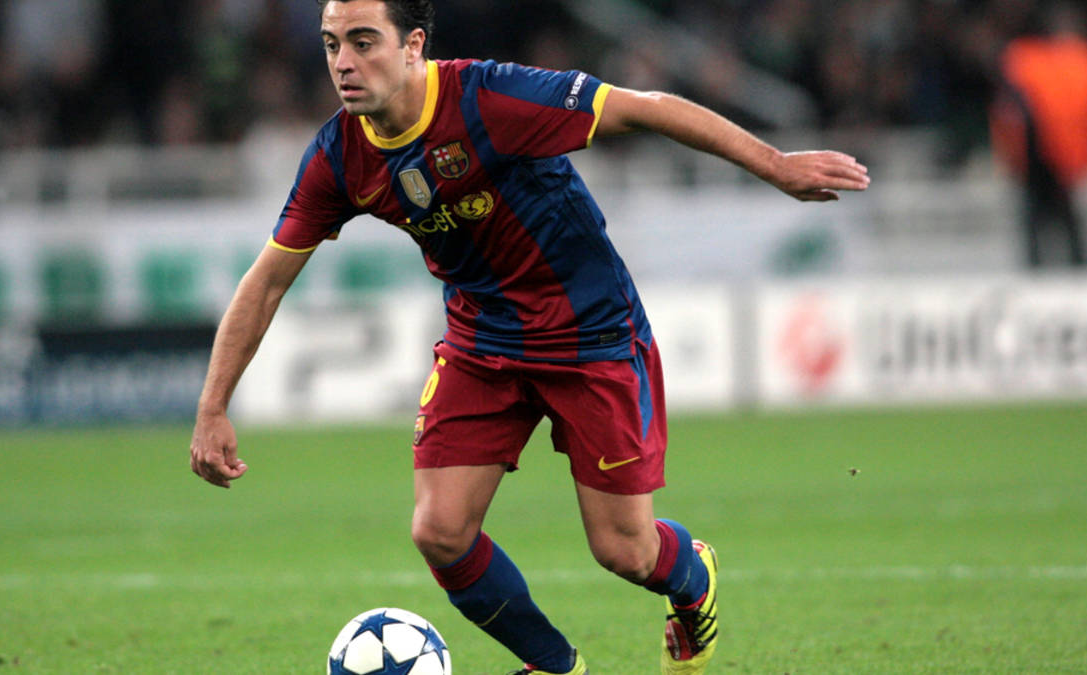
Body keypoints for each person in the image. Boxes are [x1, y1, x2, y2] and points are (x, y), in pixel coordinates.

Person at [189, 1, 870, 672]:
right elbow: (267, 280)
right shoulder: (338, 156)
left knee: (625, 551)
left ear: (413, 45)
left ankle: (693, 576)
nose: (344, 62)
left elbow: (646, 107)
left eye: (363, 42)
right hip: (481, 341)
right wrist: (214, 404)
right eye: (332, 43)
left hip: (590, 334)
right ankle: (556, 666)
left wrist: (775, 165)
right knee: (439, 531)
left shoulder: (490, 97)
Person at [990, 1, 1087, 267]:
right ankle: (1049, 269)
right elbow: (1012, 110)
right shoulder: (1029, 58)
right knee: (1044, 217)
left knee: (1061, 218)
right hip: (1042, 153)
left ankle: (1071, 268)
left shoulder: (1078, 58)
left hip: (1065, 155)